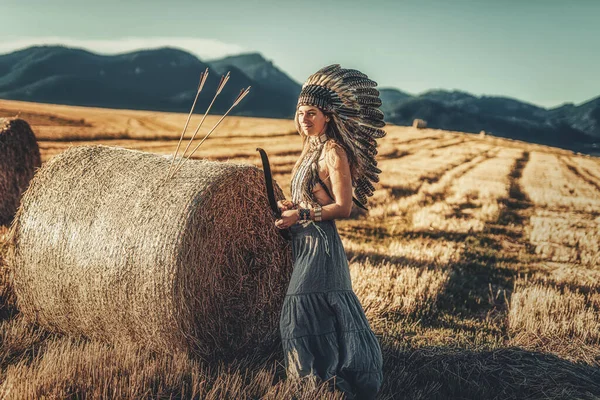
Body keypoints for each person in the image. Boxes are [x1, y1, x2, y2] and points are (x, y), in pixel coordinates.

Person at [275, 64, 386, 399]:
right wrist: (289, 206)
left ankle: (321, 382)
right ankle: (322, 382)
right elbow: (306, 197)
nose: (304, 119)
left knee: (298, 314)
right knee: (311, 316)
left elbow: (344, 207)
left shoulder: (333, 151)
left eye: (312, 113)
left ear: (327, 116)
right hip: (303, 242)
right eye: (300, 112)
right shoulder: (309, 150)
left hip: (321, 246)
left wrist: (303, 213)